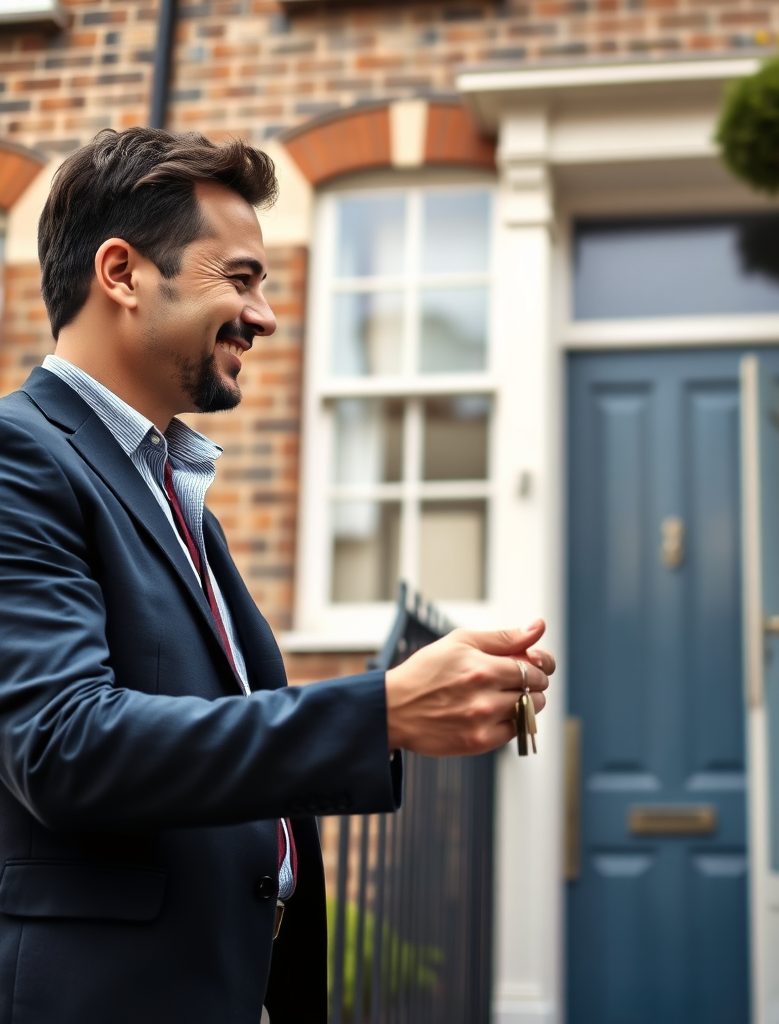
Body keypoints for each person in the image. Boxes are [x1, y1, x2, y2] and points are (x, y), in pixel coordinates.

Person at [0, 127, 553, 1024]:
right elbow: (66, 746)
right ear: (123, 273)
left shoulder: (178, 496)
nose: (262, 317)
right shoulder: (19, 457)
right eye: (242, 278)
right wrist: (380, 711)